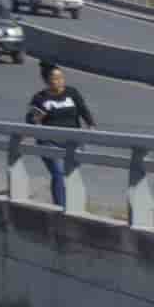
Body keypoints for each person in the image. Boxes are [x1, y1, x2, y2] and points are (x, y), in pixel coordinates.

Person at [24, 61, 94, 209]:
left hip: (72, 140)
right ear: (47, 81)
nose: (60, 81)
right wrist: (36, 118)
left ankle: (74, 206)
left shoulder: (72, 93)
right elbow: (31, 119)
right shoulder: (40, 98)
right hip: (49, 141)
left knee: (70, 174)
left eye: (61, 78)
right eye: (55, 78)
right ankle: (61, 207)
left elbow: (83, 110)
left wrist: (91, 125)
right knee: (58, 172)